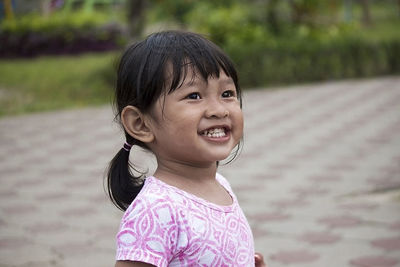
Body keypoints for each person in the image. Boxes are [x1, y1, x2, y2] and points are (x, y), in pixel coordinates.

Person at [106, 31, 266, 267]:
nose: (218, 110)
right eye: (194, 95)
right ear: (140, 124)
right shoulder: (156, 210)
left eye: (227, 94)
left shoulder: (221, 184)